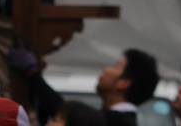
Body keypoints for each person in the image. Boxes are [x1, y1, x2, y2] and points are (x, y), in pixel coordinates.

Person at [9, 47, 158, 126]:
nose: (106, 69)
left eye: (115, 66)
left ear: (123, 83)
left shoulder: (119, 122)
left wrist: (32, 73)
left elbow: (67, 110)